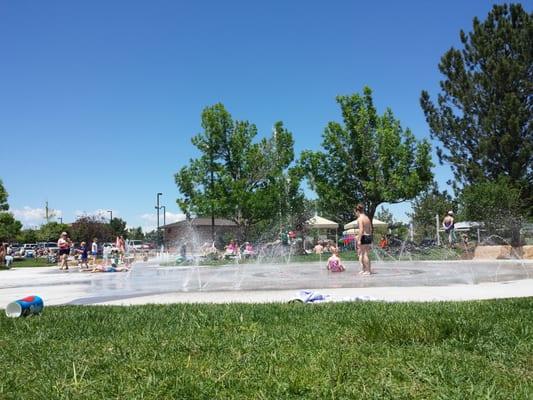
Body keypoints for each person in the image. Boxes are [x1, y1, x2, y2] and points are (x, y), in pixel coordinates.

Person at [355, 204, 373, 275]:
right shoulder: (367, 218)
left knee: (364, 254)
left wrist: (359, 239)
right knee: (366, 254)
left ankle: (367, 271)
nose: (356, 214)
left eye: (355, 212)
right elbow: (370, 229)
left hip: (363, 236)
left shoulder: (360, 218)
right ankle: (366, 269)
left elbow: (361, 229)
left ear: (357, 211)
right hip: (368, 236)